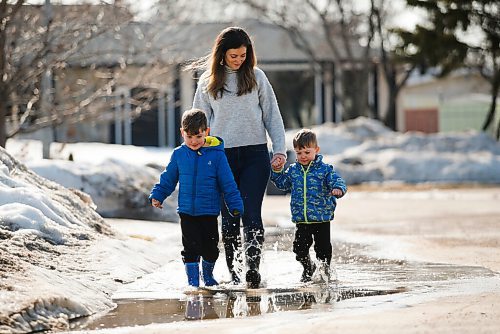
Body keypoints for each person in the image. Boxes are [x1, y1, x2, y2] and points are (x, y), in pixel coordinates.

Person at [191, 26, 287, 288]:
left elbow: (272, 116)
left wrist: (279, 150)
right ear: (222, 54)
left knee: (251, 213)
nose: (239, 60)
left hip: (255, 154)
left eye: (243, 55)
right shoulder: (207, 81)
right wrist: (196, 155)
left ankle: (253, 270)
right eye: (234, 55)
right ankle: (235, 272)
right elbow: (197, 123)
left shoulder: (257, 77)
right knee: (231, 216)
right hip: (221, 158)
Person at [149, 109, 244, 288]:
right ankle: (193, 282)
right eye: (189, 136)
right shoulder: (179, 154)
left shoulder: (216, 155)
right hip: (186, 212)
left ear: (206, 132)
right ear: (182, 132)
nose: (194, 141)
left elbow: (228, 183)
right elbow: (168, 178)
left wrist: (235, 204)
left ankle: (207, 276)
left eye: (198, 136)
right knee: (190, 248)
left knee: (210, 249)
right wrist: (158, 195)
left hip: (208, 212)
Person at [270, 129, 347, 283]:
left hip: (321, 218)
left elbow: (337, 180)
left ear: (316, 150)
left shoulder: (324, 170)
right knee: (299, 249)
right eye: (299, 153)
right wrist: (277, 170)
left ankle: (325, 272)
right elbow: (282, 184)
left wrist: (338, 189)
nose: (303, 156)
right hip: (302, 219)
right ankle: (308, 267)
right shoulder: (293, 171)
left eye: (307, 152)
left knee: (323, 249)